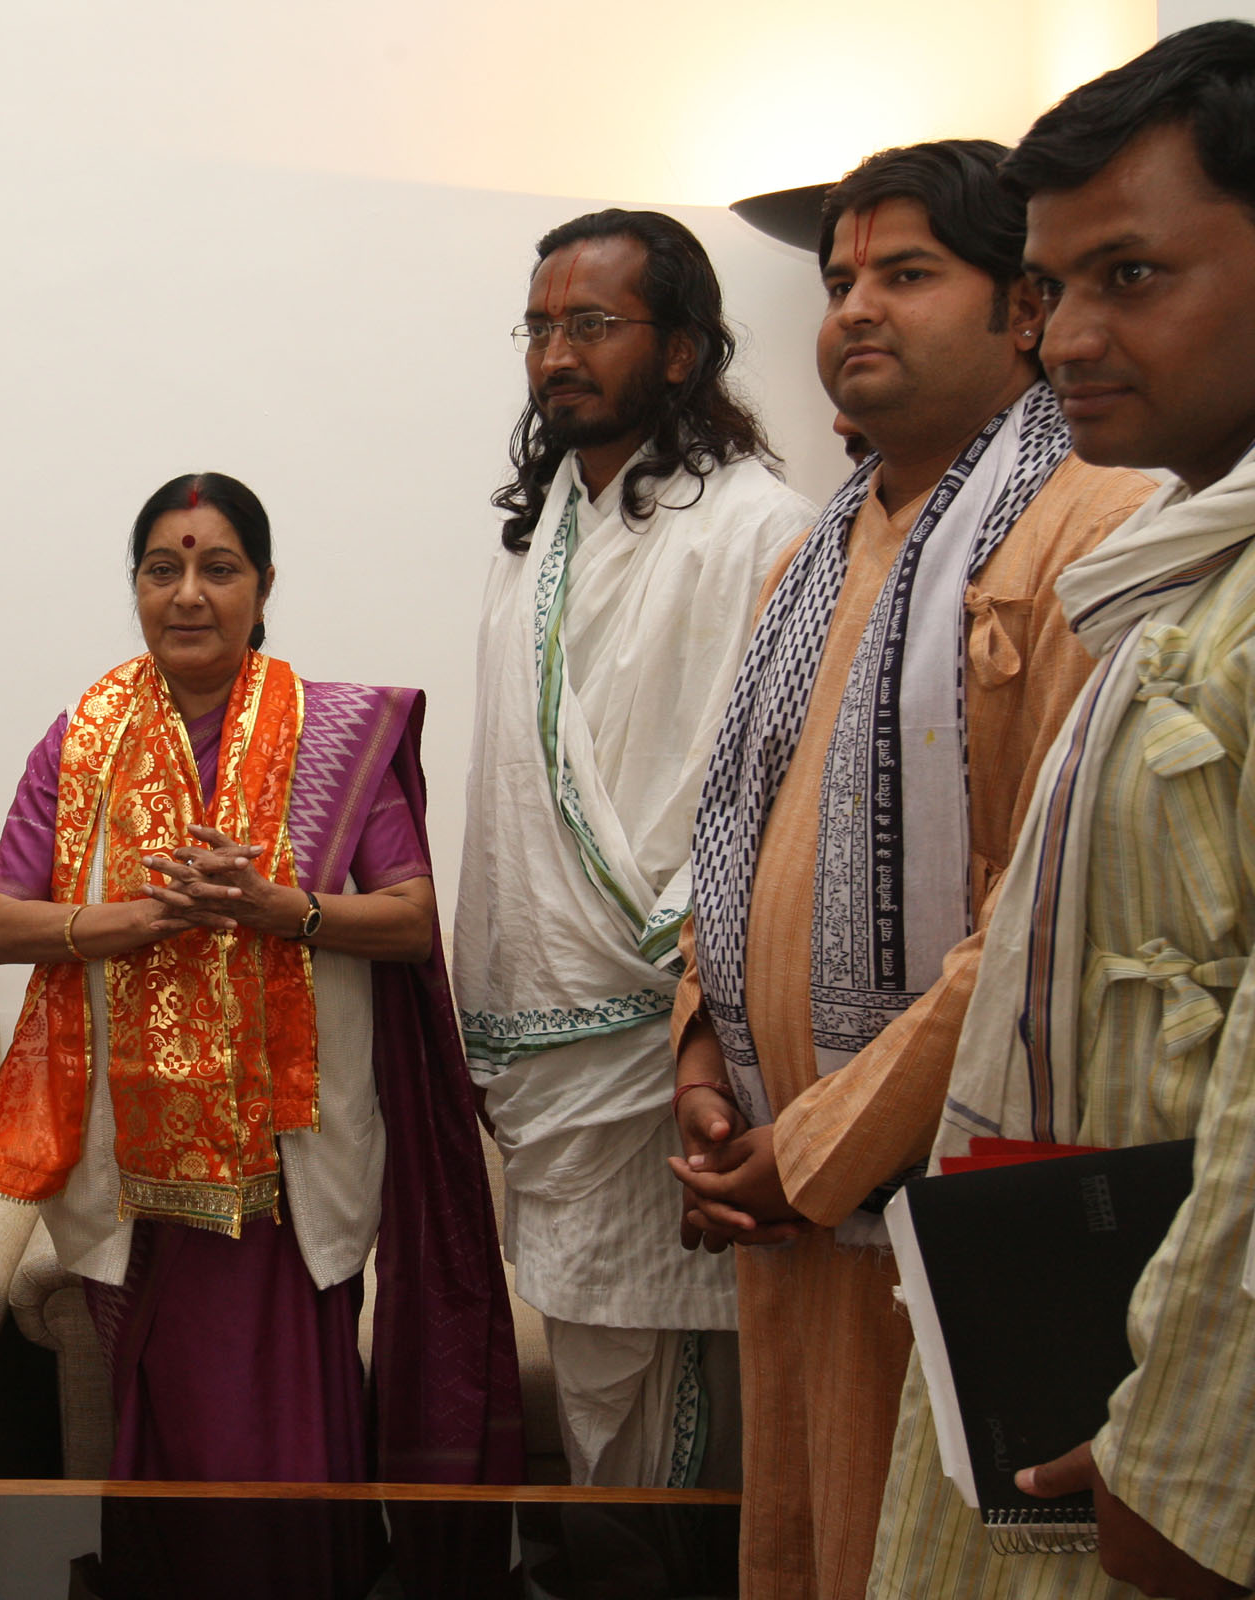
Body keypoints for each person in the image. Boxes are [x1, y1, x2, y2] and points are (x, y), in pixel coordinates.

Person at [670, 142, 1156, 1600]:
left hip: (949, 1197)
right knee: (807, 1548)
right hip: (787, 1204)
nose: (854, 309)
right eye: (837, 281)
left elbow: (1038, 913)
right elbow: (735, 841)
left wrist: (821, 1147)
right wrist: (706, 1056)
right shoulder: (811, 553)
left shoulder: (1095, 529)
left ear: (1026, 308)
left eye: (905, 272)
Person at [869, 24, 1255, 1599]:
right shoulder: (1179, 575)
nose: (1070, 337)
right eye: (1057, 288)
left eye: (1134, 277)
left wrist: (1189, 1455)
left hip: (1175, 1440)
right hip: (1072, 1353)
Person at [0, 471, 522, 1505]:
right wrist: (127, 922)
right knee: (175, 1439)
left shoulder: (333, 734)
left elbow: (407, 918)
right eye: (163, 569)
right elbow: (1, 924)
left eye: (219, 568)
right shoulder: (80, 740)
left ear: (263, 587)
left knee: (287, 1442)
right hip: (133, 1165)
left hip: (290, 1162)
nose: (188, 593)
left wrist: (279, 908)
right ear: (134, 586)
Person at [457, 210, 811, 1491]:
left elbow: (770, 794)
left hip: (676, 1036)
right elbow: (514, 807)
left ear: (682, 350)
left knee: (699, 1401)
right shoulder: (538, 532)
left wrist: (687, 989)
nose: (557, 353)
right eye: (541, 326)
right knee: (604, 1375)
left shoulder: (759, 528)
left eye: (592, 324)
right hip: (547, 1044)